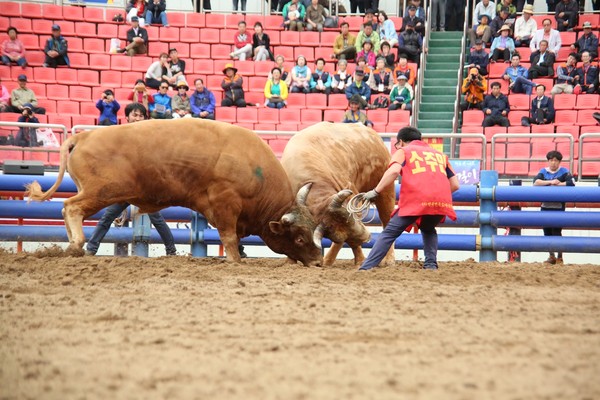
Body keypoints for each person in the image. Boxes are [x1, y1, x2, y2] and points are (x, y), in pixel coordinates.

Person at [357, 126, 459, 271]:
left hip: (416, 199)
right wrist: (436, 194)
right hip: (441, 200)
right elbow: (455, 185)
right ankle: (430, 264)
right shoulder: (440, 155)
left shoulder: (403, 151)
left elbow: (393, 172)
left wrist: (375, 191)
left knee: (389, 233)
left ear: (401, 142)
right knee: (428, 229)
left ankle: (366, 267)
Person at [85, 103, 177, 257]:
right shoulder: (118, 136)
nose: (138, 118)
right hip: (125, 188)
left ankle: (171, 251)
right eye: (135, 115)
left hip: (144, 188)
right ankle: (91, 249)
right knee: (108, 217)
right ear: (127, 117)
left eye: (141, 115)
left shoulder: (150, 138)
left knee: (156, 219)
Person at [533, 150, 575, 265]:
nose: (553, 163)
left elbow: (571, 183)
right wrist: (551, 182)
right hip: (545, 206)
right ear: (548, 161)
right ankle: (551, 256)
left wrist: (558, 184)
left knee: (557, 232)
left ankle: (560, 256)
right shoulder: (543, 171)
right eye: (551, 160)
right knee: (547, 232)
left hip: (558, 207)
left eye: (555, 160)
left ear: (559, 162)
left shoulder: (564, 171)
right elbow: (535, 182)